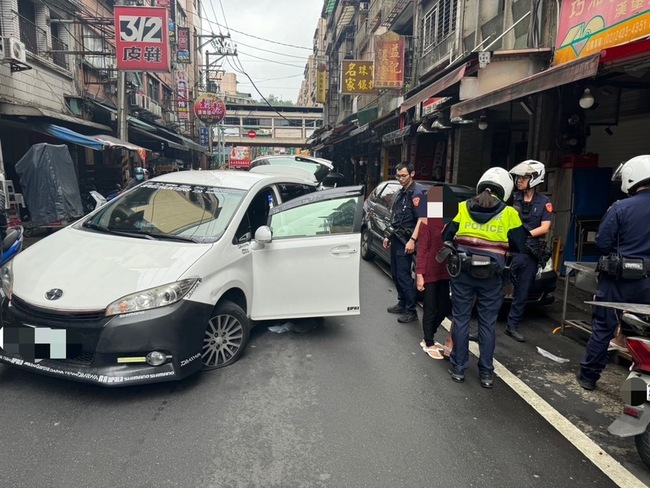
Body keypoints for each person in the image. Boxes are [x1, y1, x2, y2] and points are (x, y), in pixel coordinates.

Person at [441, 167, 528, 388]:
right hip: (492, 276)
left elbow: (447, 235)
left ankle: (459, 369)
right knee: (487, 324)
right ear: (505, 190)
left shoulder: (462, 208)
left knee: (460, 320)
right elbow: (520, 245)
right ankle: (486, 374)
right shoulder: (510, 214)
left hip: (463, 272)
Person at [576, 155, 650, 391]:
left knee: (603, 328)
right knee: (645, 333)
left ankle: (588, 376)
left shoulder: (621, 207)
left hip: (617, 279)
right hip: (648, 283)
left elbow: (602, 242)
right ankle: (640, 390)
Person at [505, 160, 552, 342]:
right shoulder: (512, 197)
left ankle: (512, 326)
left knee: (522, 292)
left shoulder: (544, 202)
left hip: (530, 252)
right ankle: (485, 327)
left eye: (524, 177)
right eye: (518, 177)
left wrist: (524, 235)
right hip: (510, 251)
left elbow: (545, 227)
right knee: (496, 290)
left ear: (534, 179)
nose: (519, 180)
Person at [383, 161, 426, 324]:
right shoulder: (402, 192)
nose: (400, 179)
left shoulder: (417, 193)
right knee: (395, 273)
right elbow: (397, 218)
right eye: (398, 176)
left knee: (404, 275)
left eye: (403, 176)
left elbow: (423, 218)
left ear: (412, 174)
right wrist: (388, 236)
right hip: (397, 238)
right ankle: (402, 302)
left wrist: (413, 240)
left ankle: (411, 310)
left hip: (407, 240)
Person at [416, 218, 451, 360]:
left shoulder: (452, 223)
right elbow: (422, 249)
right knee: (430, 307)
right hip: (429, 271)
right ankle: (428, 340)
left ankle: (429, 334)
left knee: (444, 306)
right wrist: (420, 275)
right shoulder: (427, 223)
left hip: (445, 271)